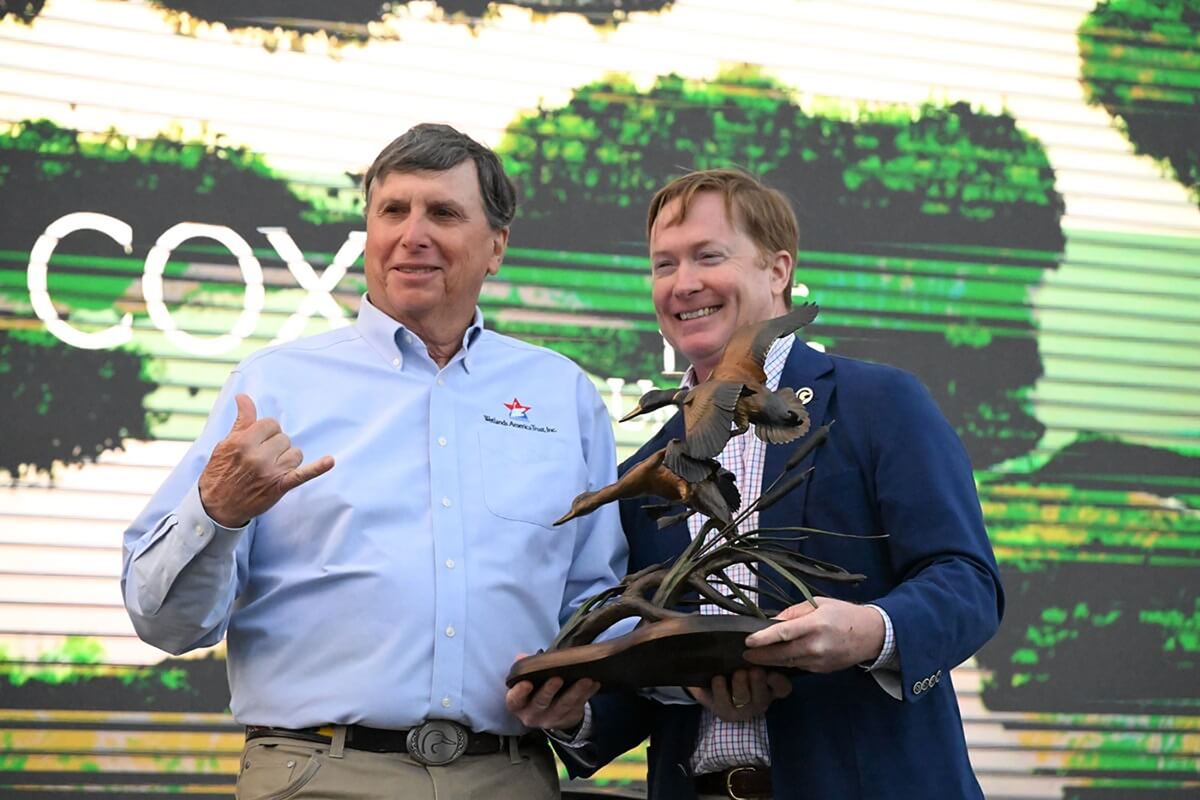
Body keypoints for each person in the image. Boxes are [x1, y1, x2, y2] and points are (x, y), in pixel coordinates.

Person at [121, 123, 627, 800]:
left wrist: (582, 704)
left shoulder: (560, 393)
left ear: (497, 246)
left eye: (443, 212)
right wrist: (216, 512)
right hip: (316, 774)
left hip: (510, 774)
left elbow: (596, 600)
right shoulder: (274, 385)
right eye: (393, 210)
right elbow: (166, 624)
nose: (412, 233)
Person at [514, 168, 1003, 799]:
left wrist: (864, 631)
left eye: (707, 257)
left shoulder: (879, 403)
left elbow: (968, 583)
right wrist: (574, 712)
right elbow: (640, 679)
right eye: (664, 265)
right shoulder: (653, 467)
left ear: (778, 271)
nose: (683, 284)